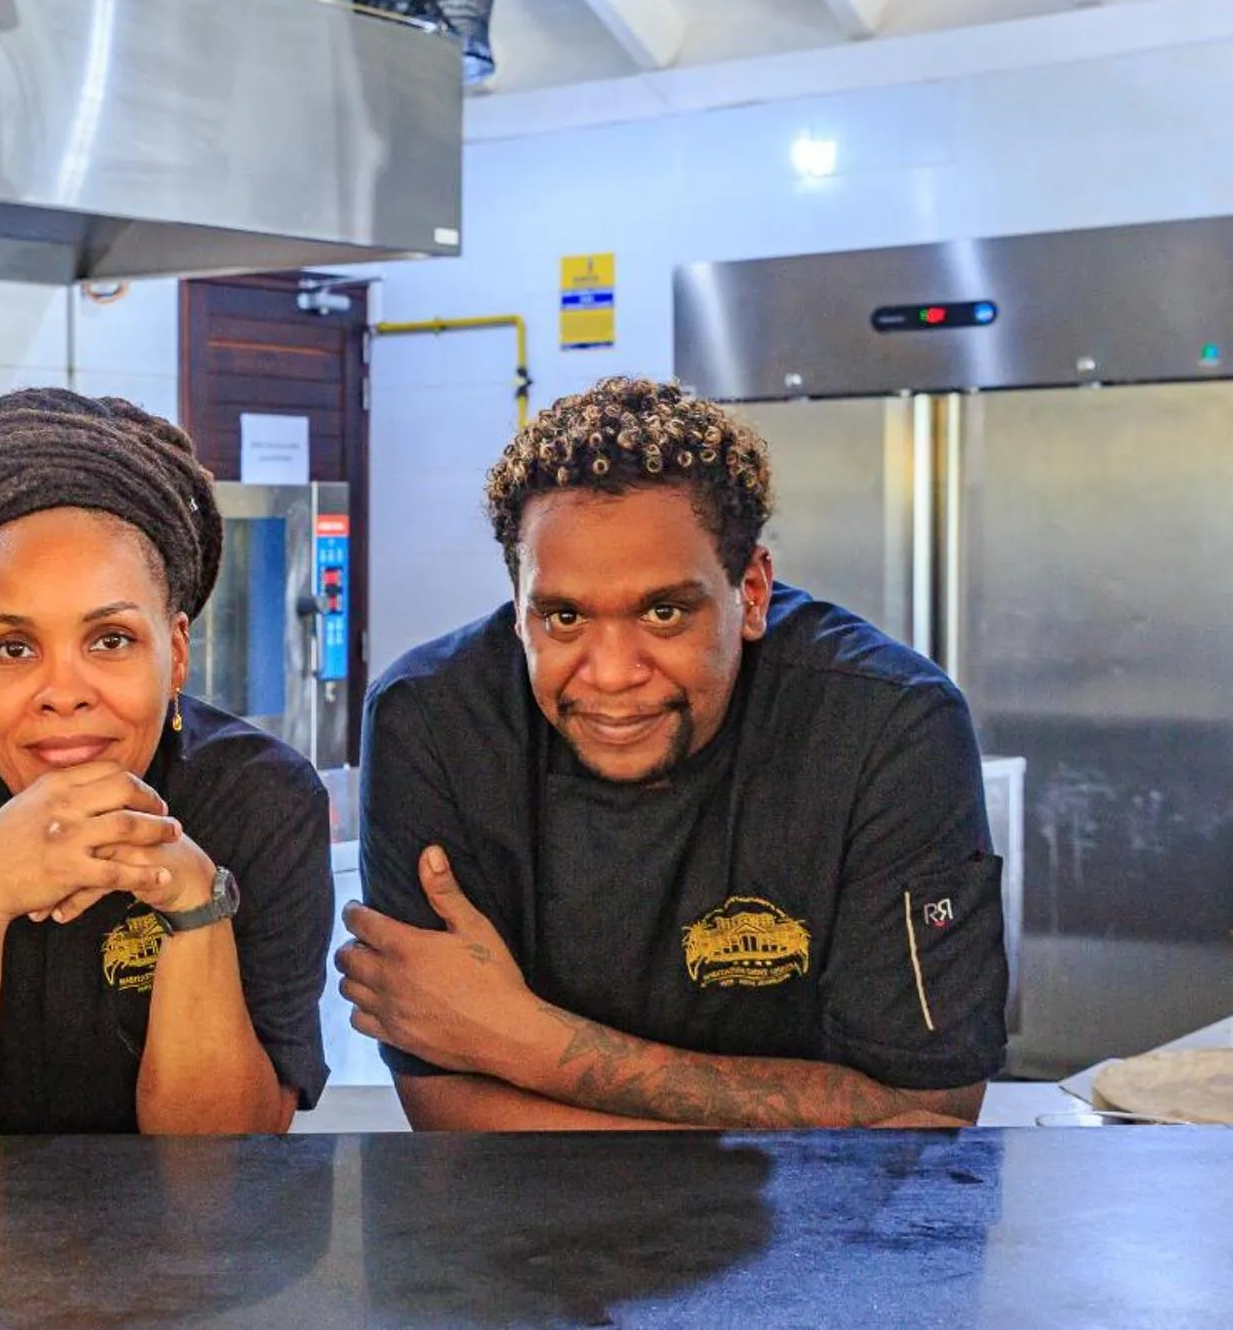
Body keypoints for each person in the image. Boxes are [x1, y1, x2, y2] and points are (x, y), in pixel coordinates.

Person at [338, 377, 1008, 1131]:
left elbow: (927, 1108)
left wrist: (523, 1037)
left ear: (750, 592)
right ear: (518, 602)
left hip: (817, 1242)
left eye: (663, 612)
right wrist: (788, 1135)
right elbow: (446, 1108)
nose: (613, 672)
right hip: (520, 1238)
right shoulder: (432, 722)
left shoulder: (887, 726)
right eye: (563, 616)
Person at [0, 389, 332, 1136]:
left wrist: (194, 901)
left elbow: (229, 1165)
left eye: (110, 639)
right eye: (13, 648)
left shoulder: (264, 800)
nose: (63, 694)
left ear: (175, 651)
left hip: (187, 1250)